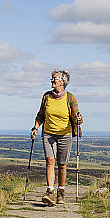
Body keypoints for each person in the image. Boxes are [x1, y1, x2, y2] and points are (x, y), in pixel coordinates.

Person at [30, 69, 83, 206]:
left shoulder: (70, 98)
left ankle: (61, 191)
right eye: (52, 78)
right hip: (48, 133)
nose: (52, 81)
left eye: (55, 79)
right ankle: (50, 191)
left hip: (65, 134)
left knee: (62, 164)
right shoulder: (46, 96)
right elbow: (41, 114)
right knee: (50, 160)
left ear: (63, 82)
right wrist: (35, 128)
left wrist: (78, 119)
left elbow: (77, 116)